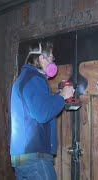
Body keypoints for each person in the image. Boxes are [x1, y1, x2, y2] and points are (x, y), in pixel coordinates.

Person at [10, 40, 75, 180]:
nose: (53, 62)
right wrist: (63, 96)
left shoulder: (26, 78)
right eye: (51, 58)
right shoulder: (34, 78)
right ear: (41, 58)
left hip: (26, 157)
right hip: (35, 158)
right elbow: (42, 114)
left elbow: (41, 108)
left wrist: (59, 95)